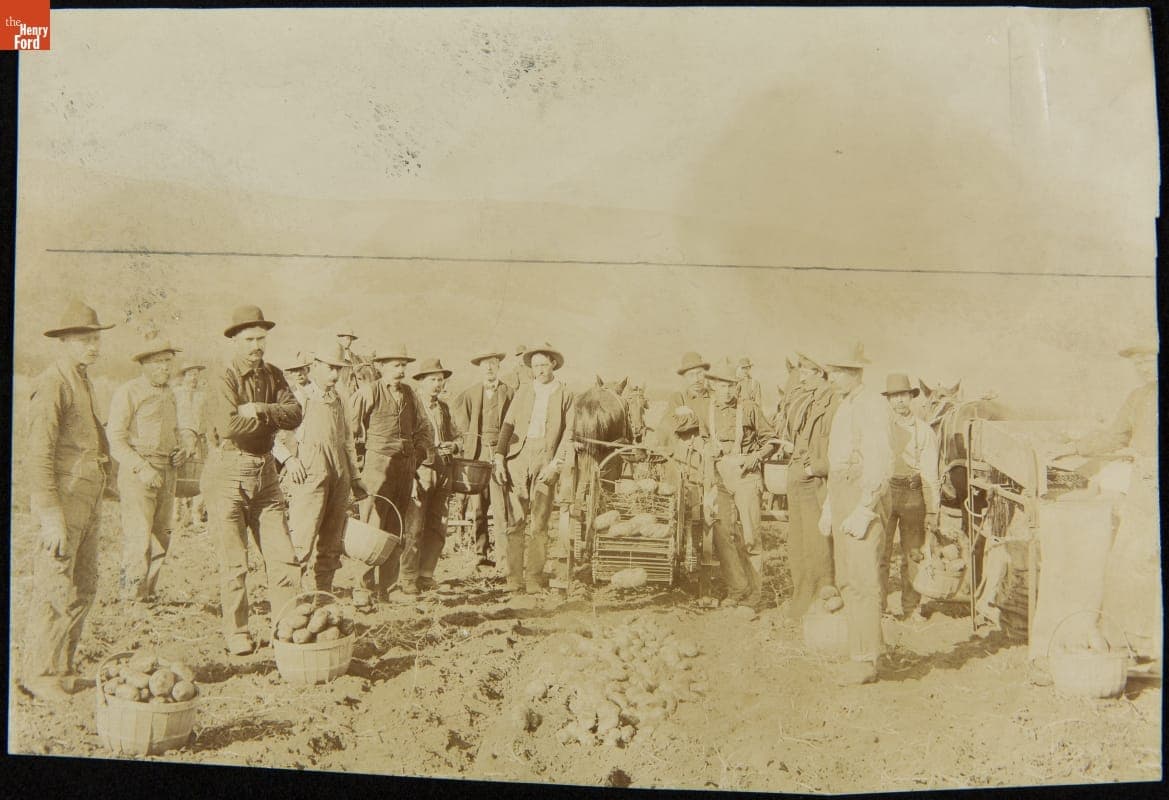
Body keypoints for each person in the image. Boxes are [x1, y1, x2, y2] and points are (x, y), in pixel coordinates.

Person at [20, 301, 114, 702]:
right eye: (84, 340)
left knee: (84, 585)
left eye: (95, 338)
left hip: (88, 498)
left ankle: (64, 666)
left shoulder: (83, 380)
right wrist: (50, 516)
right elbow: (38, 455)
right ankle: (38, 674)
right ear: (63, 342)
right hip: (64, 501)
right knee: (55, 585)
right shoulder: (52, 383)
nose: (93, 346)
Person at [203, 305, 304, 656]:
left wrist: (261, 410)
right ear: (234, 341)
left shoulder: (274, 375)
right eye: (249, 339)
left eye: (261, 338)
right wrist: (273, 420)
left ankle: (287, 627)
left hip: (267, 474)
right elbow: (230, 426)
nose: (256, 346)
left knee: (283, 557)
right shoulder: (223, 377)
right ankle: (238, 632)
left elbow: (295, 414)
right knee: (235, 563)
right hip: (229, 472)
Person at [1064, 342, 1160, 660]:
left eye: (1150, 358)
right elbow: (1115, 436)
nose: (1145, 367)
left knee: (1145, 560)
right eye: (1139, 362)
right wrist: (1078, 446)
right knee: (1128, 560)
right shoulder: (1138, 398)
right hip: (1146, 483)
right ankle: (1137, 640)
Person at [818, 343, 893, 685]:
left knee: (863, 580)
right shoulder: (844, 405)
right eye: (831, 372)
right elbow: (837, 461)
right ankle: (860, 649)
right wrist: (831, 506)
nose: (831, 378)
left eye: (838, 372)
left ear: (855, 373)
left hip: (864, 493)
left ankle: (866, 660)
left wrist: (865, 507)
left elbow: (880, 459)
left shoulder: (873, 405)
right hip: (842, 492)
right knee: (847, 578)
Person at [107, 336, 197, 610]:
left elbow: (183, 428)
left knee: (163, 534)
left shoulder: (172, 394)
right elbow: (115, 438)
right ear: (144, 364)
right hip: (139, 472)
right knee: (138, 536)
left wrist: (185, 448)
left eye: (169, 362)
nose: (166, 368)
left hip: (167, 470)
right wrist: (141, 468)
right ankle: (130, 597)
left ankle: (147, 593)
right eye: (159, 363)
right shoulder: (129, 392)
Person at [274, 341, 367, 593]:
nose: (335, 375)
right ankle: (291, 599)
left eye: (339, 369)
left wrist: (355, 478)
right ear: (315, 367)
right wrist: (289, 460)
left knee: (332, 540)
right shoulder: (299, 397)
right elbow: (272, 436)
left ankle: (323, 594)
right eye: (330, 368)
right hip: (309, 474)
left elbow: (348, 441)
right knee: (302, 540)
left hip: (339, 475)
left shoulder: (340, 398)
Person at [348, 344, 433, 603]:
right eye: (395, 365)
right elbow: (348, 432)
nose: (400, 371)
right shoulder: (369, 392)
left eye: (403, 366)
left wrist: (418, 454)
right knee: (371, 527)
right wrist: (357, 467)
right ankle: (363, 590)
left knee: (396, 527)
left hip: (405, 468)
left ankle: (388, 588)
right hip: (376, 466)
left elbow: (424, 428)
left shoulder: (410, 394)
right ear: (382, 367)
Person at [492, 343, 575, 596]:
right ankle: (514, 577)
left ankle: (534, 579)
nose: (539, 370)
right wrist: (499, 456)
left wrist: (555, 464)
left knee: (539, 523)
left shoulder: (566, 394)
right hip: (519, 458)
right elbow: (507, 425)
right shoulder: (524, 391)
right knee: (516, 520)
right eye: (535, 365)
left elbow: (569, 433)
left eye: (543, 364)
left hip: (545, 460)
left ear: (553, 365)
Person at [703, 367, 779, 604]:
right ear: (713, 386)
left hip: (746, 475)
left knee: (750, 536)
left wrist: (755, 457)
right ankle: (738, 588)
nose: (726, 391)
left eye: (730, 386)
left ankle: (755, 594)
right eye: (721, 385)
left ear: (737, 386)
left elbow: (771, 440)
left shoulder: (748, 408)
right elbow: (701, 439)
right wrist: (708, 448)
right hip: (720, 478)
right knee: (723, 534)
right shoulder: (707, 412)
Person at [782, 353, 840, 624]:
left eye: (806, 372)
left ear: (820, 373)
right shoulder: (811, 400)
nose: (801, 377)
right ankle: (803, 594)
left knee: (818, 544)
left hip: (816, 480)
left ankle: (821, 597)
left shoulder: (833, 403)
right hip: (799, 477)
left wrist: (811, 468)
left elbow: (837, 452)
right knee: (798, 543)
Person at [880, 373, 941, 622]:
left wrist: (932, 510)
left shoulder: (924, 432)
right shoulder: (880, 430)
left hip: (913, 495)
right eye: (894, 397)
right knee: (880, 553)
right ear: (889, 401)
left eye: (903, 396)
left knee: (913, 554)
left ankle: (911, 608)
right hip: (885, 493)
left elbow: (930, 474)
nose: (899, 402)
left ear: (911, 398)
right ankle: (878, 608)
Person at [452, 350, 515, 570]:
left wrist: (504, 454)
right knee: (477, 509)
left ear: (499, 366)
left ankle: (504, 560)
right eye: (485, 364)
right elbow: (463, 425)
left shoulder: (509, 393)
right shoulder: (470, 394)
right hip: (477, 459)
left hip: (499, 459)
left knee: (500, 509)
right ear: (480, 368)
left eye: (493, 363)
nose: (489, 368)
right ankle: (481, 553)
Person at [411, 358, 461, 593]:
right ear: (421, 382)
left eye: (440, 380)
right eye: (432, 380)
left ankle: (426, 575)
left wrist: (454, 446)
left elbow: (458, 436)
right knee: (415, 523)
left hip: (444, 471)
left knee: (438, 523)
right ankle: (407, 578)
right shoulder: (412, 407)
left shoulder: (444, 408)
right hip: (421, 470)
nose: (437, 385)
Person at [173, 362, 209, 527]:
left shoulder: (203, 395)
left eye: (196, 374)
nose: (194, 377)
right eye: (190, 374)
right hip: (181, 438)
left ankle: (196, 514)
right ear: (184, 376)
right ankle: (175, 514)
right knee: (177, 473)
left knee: (201, 475)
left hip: (200, 438)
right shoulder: (176, 393)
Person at [657, 351, 712, 446]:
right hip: (687, 451)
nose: (696, 379)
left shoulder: (714, 397)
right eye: (691, 375)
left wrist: (690, 416)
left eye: (699, 373)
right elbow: (672, 424)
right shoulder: (678, 398)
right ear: (685, 378)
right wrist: (704, 419)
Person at [335, 327, 361, 400]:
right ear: (340, 338)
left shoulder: (354, 357)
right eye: (347, 338)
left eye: (351, 339)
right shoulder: (335, 355)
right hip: (339, 390)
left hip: (354, 390)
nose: (349, 341)